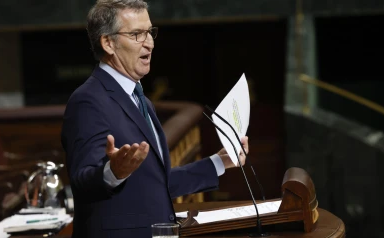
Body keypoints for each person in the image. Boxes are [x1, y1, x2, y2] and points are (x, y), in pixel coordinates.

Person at [60, 0, 249, 237]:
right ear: (108, 43)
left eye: (150, 32)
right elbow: (82, 181)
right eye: (137, 34)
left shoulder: (140, 98)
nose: (149, 43)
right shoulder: (88, 101)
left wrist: (220, 162)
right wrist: (113, 172)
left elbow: (154, 184)